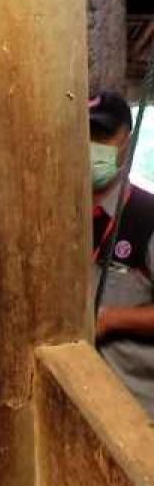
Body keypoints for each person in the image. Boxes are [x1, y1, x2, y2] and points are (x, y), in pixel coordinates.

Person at [90, 91, 154, 415]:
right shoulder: (58, 218)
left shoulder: (148, 216)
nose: (91, 144)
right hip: (81, 406)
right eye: (84, 135)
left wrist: (112, 320)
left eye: (102, 135)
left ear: (125, 143)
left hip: (140, 415)